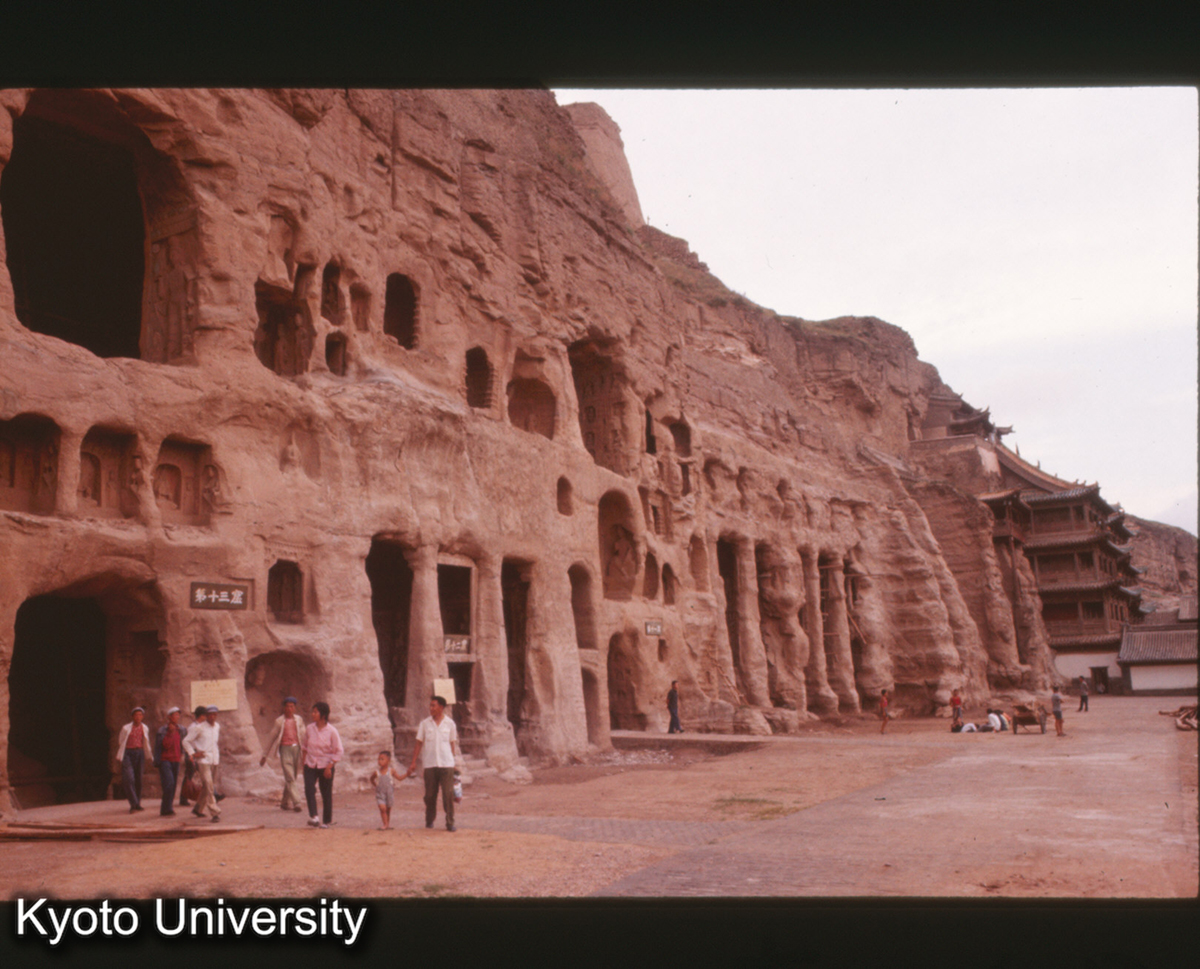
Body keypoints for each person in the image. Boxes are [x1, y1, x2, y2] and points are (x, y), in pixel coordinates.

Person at [406, 696, 461, 831]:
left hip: (446, 764)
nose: (431, 708)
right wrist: (413, 762)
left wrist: (453, 761)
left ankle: (450, 822)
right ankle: (429, 819)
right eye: (430, 706)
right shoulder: (425, 724)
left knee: (448, 794)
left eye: (433, 706)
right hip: (430, 764)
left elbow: (452, 743)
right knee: (430, 795)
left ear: (441, 707)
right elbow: (419, 743)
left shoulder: (450, 724)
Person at [260, 696, 306, 812]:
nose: (289, 709)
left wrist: (308, 751)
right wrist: (264, 755)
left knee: (292, 777)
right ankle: (297, 802)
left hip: (296, 750)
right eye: (287, 706)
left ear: (294, 708)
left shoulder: (299, 720)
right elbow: (271, 738)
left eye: (292, 706)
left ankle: (285, 802)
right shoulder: (279, 721)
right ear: (284, 708)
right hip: (285, 750)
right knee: (290, 777)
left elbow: (305, 736)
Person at [303, 701, 343, 828]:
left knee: (326, 792)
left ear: (323, 715)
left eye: (316, 712)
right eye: (313, 712)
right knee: (309, 789)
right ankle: (314, 817)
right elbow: (304, 746)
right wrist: (304, 763)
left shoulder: (332, 731)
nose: (313, 714)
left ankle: (326, 821)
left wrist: (329, 766)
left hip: (326, 765)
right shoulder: (309, 728)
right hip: (310, 764)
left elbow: (339, 751)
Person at [182, 705, 222, 821]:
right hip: (203, 760)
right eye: (210, 715)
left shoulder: (217, 727)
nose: (213, 717)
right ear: (206, 716)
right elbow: (185, 741)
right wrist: (193, 753)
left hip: (214, 759)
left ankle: (198, 808)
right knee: (209, 786)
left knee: (207, 786)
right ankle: (215, 812)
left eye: (215, 714)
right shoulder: (199, 728)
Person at [115, 707, 151, 813]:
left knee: (138, 779)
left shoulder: (145, 727)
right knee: (129, 778)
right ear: (132, 717)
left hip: (139, 753)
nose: (138, 717)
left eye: (140, 715)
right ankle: (133, 803)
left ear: (143, 717)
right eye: (136, 715)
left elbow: (145, 741)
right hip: (128, 753)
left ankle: (138, 803)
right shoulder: (126, 728)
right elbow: (120, 741)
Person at [153, 706, 185, 816]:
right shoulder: (162, 731)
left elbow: (183, 743)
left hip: (176, 759)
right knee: (169, 783)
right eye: (175, 715)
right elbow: (162, 746)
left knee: (174, 784)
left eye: (178, 715)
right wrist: (170, 733)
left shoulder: (181, 729)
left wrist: (184, 755)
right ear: (169, 717)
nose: (177, 717)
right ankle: (165, 808)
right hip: (165, 760)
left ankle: (168, 808)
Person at [370, 751, 405, 830]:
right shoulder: (377, 772)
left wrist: (407, 773)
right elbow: (371, 779)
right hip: (380, 794)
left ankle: (387, 824)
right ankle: (385, 824)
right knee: (383, 808)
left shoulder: (391, 771)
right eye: (379, 759)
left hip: (389, 794)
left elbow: (399, 778)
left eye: (382, 759)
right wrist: (375, 785)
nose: (379, 761)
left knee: (388, 809)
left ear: (388, 761)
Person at [179, 705, 206, 808]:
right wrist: (191, 755)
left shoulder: (200, 726)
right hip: (192, 754)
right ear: (201, 716)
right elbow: (187, 742)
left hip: (197, 753)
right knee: (190, 776)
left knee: (194, 775)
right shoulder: (193, 727)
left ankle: (184, 798)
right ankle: (183, 798)